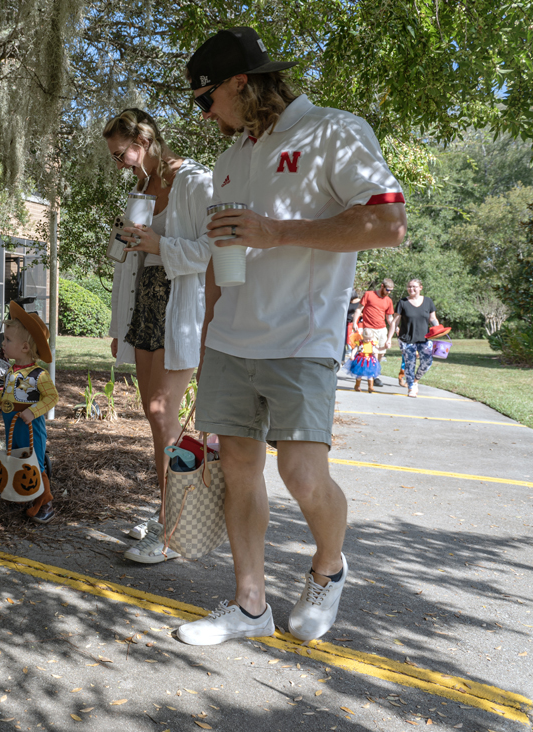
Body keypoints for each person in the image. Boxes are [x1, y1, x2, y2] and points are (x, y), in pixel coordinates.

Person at [178, 27, 406, 646]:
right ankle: (249, 605)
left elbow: (388, 225)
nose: (207, 117)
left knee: (303, 476)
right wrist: (205, 347)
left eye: (206, 101)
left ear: (239, 84)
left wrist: (274, 233)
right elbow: (218, 260)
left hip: (302, 339)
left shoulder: (334, 130)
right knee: (241, 472)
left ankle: (329, 566)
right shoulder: (228, 160)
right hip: (229, 342)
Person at [102, 108, 214, 564]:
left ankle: (171, 533)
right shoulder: (141, 191)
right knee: (155, 420)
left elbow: (215, 250)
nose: (119, 163)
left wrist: (157, 245)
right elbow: (126, 262)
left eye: (122, 153)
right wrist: (117, 326)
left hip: (179, 310)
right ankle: (168, 510)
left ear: (145, 140)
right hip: (143, 309)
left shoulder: (193, 181)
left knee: (160, 412)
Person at [0, 301, 60, 524]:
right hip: (12, 425)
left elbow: (52, 397)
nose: (3, 343)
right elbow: (7, 393)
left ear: (25, 347)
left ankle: (45, 502)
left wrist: (33, 411)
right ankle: (24, 494)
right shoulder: (12, 371)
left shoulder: (39, 375)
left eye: (8, 340)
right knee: (18, 458)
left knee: (34, 462)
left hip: (30, 426)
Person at [393, 279, 440, 398]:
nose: (411, 289)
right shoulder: (402, 302)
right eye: (409, 286)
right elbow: (395, 321)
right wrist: (391, 335)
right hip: (406, 338)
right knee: (410, 363)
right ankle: (410, 388)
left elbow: (432, 318)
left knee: (427, 362)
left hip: (425, 338)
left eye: (414, 286)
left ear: (420, 287)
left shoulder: (428, 301)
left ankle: (415, 380)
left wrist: (438, 329)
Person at [352, 279, 396, 386]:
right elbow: (359, 309)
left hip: (382, 329)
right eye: (387, 290)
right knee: (372, 352)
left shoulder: (388, 301)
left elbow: (389, 318)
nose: (389, 292)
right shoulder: (369, 294)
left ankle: (373, 371)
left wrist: (395, 326)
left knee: (381, 352)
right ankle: (373, 376)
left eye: (391, 290)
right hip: (369, 329)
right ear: (382, 286)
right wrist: (355, 323)